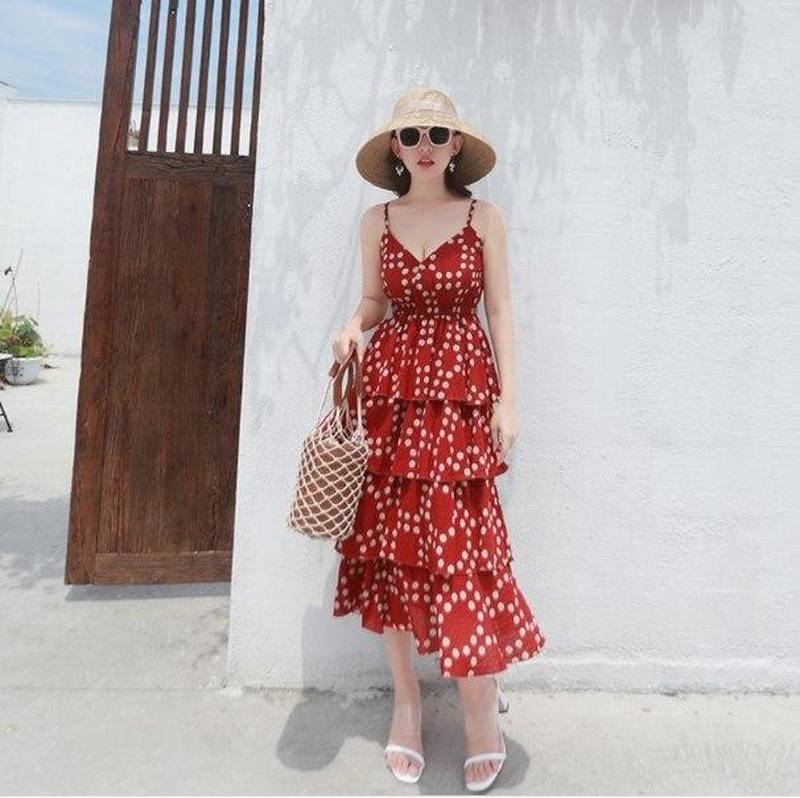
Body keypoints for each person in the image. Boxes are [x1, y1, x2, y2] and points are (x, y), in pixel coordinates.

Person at [330, 87, 546, 792]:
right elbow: (374, 301)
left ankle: (480, 703)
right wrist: (353, 328)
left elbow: (500, 311)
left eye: (437, 134)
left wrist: (510, 400)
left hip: (459, 398)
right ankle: (408, 702)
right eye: (411, 134)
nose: (424, 146)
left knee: (464, 548)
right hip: (391, 398)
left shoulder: (485, 218)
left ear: (457, 146)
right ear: (395, 147)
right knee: (393, 547)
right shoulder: (376, 219)